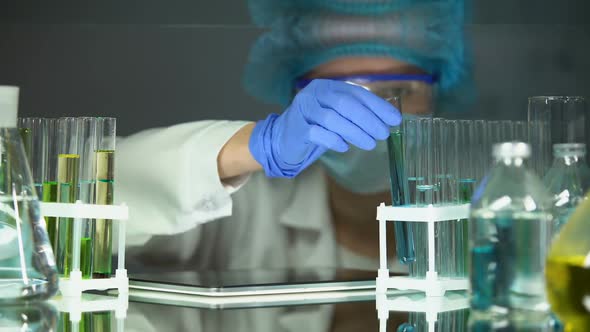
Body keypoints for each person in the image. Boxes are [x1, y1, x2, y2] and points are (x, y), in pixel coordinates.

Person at [119, 0, 467, 272]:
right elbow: (97, 199)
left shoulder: (485, 203)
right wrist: (258, 145)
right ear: (297, 102)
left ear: (439, 95)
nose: (368, 114)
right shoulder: (243, 208)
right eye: (340, 94)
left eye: (399, 88)